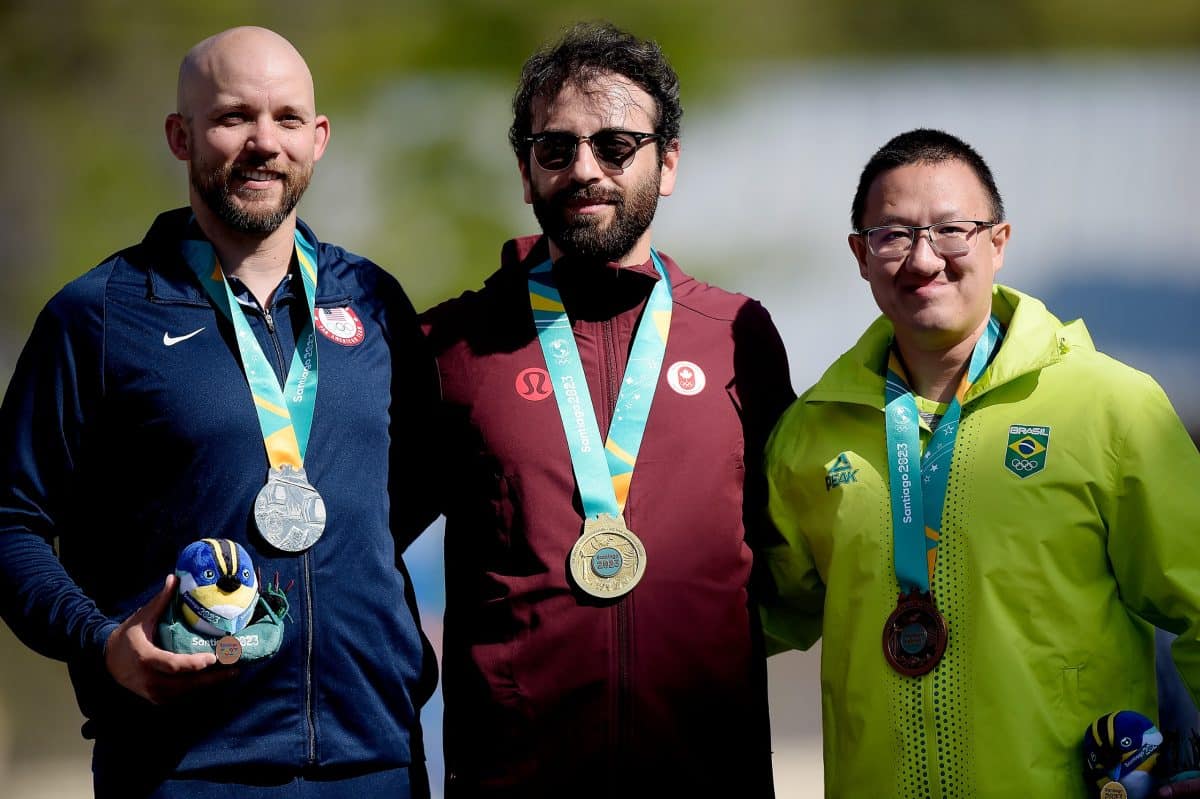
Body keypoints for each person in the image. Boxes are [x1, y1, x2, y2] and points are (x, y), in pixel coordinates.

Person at [0, 26, 437, 799]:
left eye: (288, 119)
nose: (264, 142)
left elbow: (397, 499)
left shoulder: (373, 303)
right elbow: (9, 521)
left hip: (376, 759)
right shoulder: (99, 316)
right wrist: (104, 643)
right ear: (180, 134)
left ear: (319, 137)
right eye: (234, 116)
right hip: (184, 768)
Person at [761, 127, 1200, 797]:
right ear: (860, 254)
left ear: (998, 242)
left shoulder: (1112, 407)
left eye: (951, 231)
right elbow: (754, 613)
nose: (923, 258)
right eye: (893, 235)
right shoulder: (812, 432)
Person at [421, 21, 794, 798]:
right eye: (555, 149)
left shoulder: (739, 336)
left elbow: (802, 556)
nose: (585, 168)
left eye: (617, 146)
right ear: (526, 172)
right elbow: (356, 541)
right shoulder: (453, 345)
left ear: (668, 164)